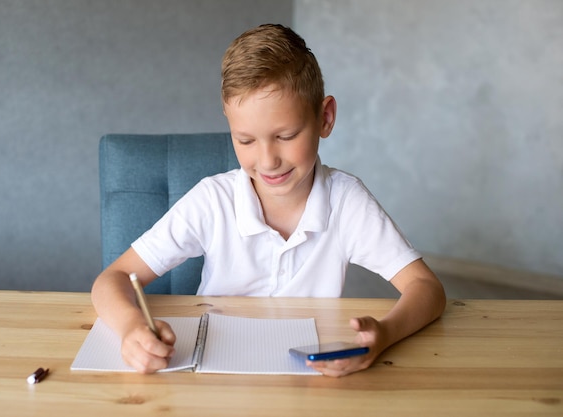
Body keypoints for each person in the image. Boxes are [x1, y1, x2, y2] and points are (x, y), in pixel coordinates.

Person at [91, 23, 446, 377]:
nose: (267, 161)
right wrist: (130, 327)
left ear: (325, 118)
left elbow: (427, 288)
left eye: (286, 135)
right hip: (214, 381)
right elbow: (114, 278)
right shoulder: (213, 200)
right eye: (245, 140)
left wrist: (384, 334)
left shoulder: (347, 200)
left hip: (307, 381)